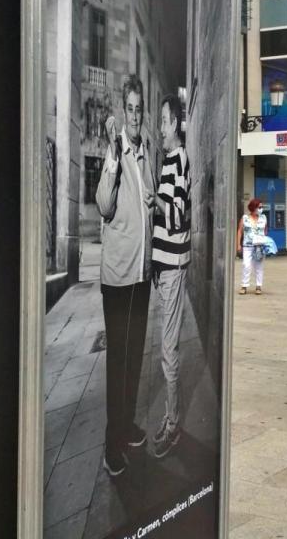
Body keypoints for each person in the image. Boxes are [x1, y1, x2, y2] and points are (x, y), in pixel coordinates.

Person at [96, 75, 156, 477]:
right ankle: (111, 443)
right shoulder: (116, 151)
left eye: (139, 109)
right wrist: (114, 159)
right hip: (117, 278)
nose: (134, 115)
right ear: (122, 110)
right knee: (118, 361)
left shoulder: (144, 152)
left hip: (140, 275)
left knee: (134, 357)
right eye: (129, 108)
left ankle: (128, 423)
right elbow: (103, 204)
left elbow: (149, 195)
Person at [150, 94, 189, 458]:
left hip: (174, 267)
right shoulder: (168, 161)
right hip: (165, 267)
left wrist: (154, 199)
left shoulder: (178, 160)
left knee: (168, 348)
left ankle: (173, 425)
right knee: (167, 347)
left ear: (175, 124)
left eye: (163, 120)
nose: (160, 127)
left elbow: (177, 215)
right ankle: (170, 418)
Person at [236, 198, 268, 295]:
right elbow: (240, 231)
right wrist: (238, 244)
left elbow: (266, 230)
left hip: (259, 246)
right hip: (247, 246)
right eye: (259, 207)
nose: (261, 209)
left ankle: (258, 286)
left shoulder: (263, 218)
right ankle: (244, 285)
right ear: (253, 207)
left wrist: (265, 241)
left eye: (262, 207)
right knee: (246, 265)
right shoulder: (245, 218)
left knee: (259, 266)